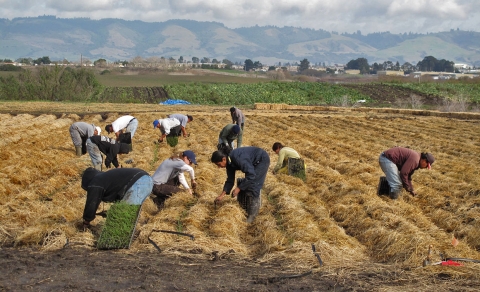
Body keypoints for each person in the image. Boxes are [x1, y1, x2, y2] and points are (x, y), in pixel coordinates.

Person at [211, 147, 270, 223]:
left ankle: (253, 215)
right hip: (253, 163)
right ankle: (247, 208)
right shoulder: (229, 162)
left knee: (253, 185)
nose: (219, 167)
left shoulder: (237, 158)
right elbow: (230, 180)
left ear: (223, 159)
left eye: (219, 164)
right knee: (246, 183)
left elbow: (251, 175)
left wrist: (239, 188)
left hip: (261, 159)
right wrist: (221, 195)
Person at [80, 167, 153, 228]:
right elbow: (119, 194)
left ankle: (118, 243)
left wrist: (87, 220)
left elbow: (92, 203)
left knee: (123, 218)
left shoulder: (95, 182)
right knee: (126, 215)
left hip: (137, 182)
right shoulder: (105, 178)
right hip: (146, 180)